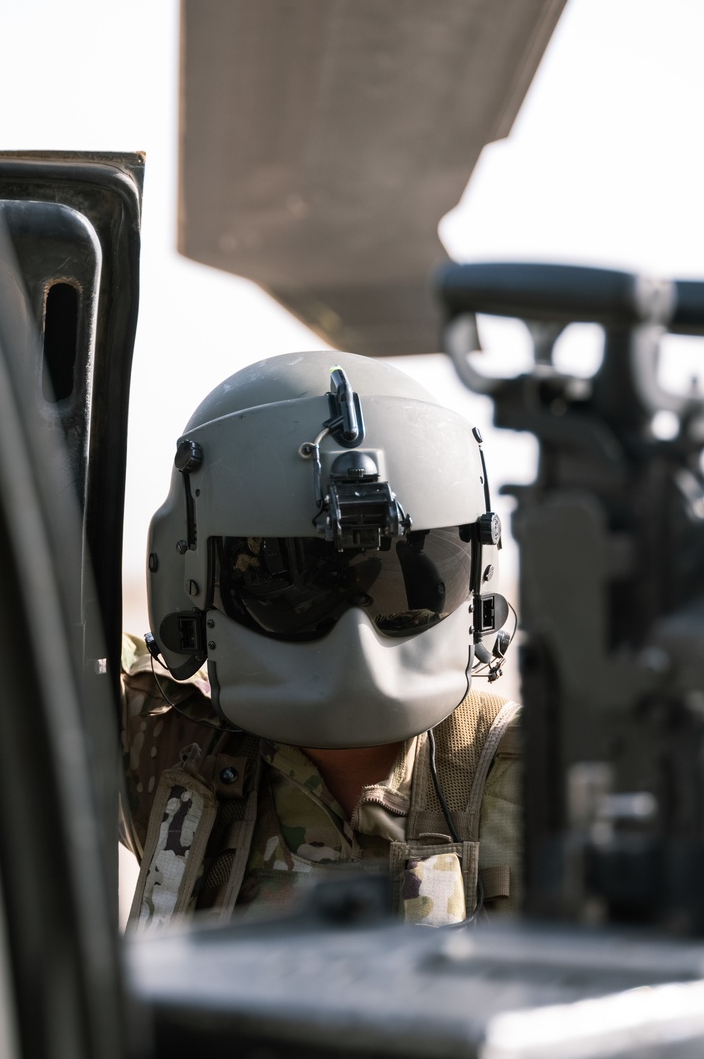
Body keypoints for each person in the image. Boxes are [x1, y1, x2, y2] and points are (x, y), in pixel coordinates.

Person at [120, 351, 521, 930]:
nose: (355, 638)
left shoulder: (527, 778)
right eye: (294, 581)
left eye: (398, 578)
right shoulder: (169, 747)